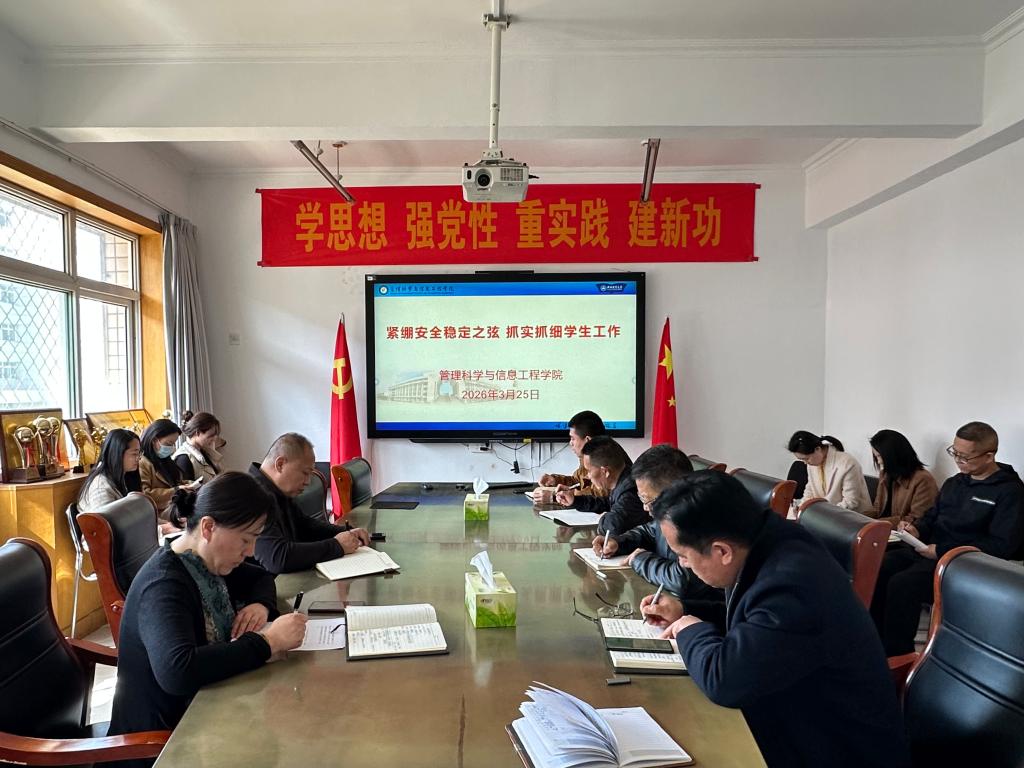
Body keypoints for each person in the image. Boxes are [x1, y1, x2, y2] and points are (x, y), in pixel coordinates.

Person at [641, 471, 910, 768]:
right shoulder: (765, 540)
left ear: (722, 551)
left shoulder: (791, 584)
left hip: (836, 749)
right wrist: (684, 609)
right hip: (797, 720)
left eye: (682, 555)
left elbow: (725, 681)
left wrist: (690, 630)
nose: (682, 564)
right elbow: (755, 622)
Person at [106, 472, 307, 767]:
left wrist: (260, 606)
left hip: (208, 717)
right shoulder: (164, 583)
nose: (251, 551)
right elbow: (178, 671)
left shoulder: (207, 562)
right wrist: (267, 642)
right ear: (209, 527)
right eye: (246, 539)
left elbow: (262, 577)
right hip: (158, 746)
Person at [871, 421, 1024, 655]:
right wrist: (916, 529)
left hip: (962, 563)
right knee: (878, 567)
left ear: (989, 456)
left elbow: (1001, 545)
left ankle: (896, 655)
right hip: (928, 551)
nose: (958, 460)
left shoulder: (1009, 492)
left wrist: (942, 550)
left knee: (903, 584)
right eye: (955, 452)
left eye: (965, 457)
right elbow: (932, 517)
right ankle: (871, 642)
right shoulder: (955, 483)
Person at [592, 444, 723, 608]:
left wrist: (640, 560)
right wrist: (618, 542)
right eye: (641, 498)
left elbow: (683, 580)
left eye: (647, 500)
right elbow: (649, 531)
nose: (645, 508)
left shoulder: (701, 518)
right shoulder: (671, 512)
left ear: (673, 492)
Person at [251, 432, 370, 574]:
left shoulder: (275, 490)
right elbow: (277, 558)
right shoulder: (252, 495)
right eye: (305, 473)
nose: (308, 482)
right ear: (280, 464)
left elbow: (305, 526)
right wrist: (337, 546)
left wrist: (346, 533)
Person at [557, 435, 645, 536]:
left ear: (605, 471)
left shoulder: (630, 493)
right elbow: (605, 503)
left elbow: (613, 528)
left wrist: (604, 518)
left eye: (589, 471)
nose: (588, 476)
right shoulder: (624, 480)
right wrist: (575, 501)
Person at [867, 429, 938, 528]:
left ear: (892, 455)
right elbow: (877, 508)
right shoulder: (885, 474)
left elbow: (917, 519)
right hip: (883, 529)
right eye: (876, 457)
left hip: (903, 533)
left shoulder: (923, 479)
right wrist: (859, 518)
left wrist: (876, 523)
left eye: (880, 456)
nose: (879, 462)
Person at [788, 430, 872, 512]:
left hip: (854, 516)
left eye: (806, 458)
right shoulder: (812, 463)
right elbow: (810, 490)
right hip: (827, 513)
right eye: (802, 460)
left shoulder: (847, 463)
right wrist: (802, 508)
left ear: (817, 449)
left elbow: (851, 502)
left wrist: (823, 514)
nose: (805, 463)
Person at [536, 410, 607, 503]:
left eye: (573, 438)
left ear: (588, 440)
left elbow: (599, 496)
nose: (570, 443)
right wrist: (555, 480)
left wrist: (555, 497)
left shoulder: (605, 458)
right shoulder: (589, 455)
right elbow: (578, 482)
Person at [139, 418, 197, 520]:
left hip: (175, 511)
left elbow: (175, 482)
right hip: (159, 516)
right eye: (169, 444)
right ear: (154, 440)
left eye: (174, 444)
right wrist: (175, 490)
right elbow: (145, 494)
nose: (172, 448)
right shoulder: (142, 462)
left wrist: (190, 484)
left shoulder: (165, 460)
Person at [77, 428, 143, 514]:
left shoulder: (126, 476)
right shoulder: (100, 487)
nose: (138, 458)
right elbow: (105, 520)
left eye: (139, 453)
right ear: (117, 454)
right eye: (134, 454)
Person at [173, 409, 223, 484]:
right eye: (211, 436)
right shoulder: (183, 459)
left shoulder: (205, 452)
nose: (214, 439)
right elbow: (187, 489)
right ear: (198, 432)